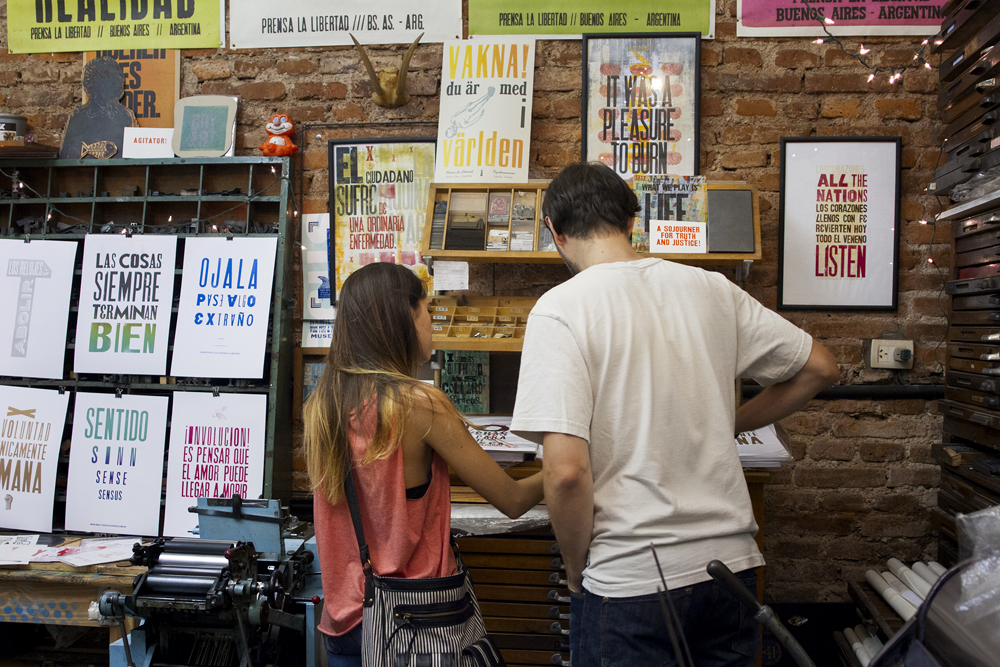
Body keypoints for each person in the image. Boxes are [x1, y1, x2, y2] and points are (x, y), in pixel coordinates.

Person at [510, 163, 840, 666]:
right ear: (630, 220)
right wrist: (730, 421)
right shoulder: (712, 289)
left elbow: (567, 472)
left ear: (554, 228)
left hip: (631, 580)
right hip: (732, 572)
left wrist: (576, 570)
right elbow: (819, 367)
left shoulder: (560, 309)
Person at [305, 262, 544, 667]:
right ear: (404, 317)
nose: (432, 322)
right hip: (416, 627)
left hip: (346, 627)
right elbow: (513, 499)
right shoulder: (417, 405)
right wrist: (567, 465)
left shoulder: (322, 408)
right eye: (427, 310)